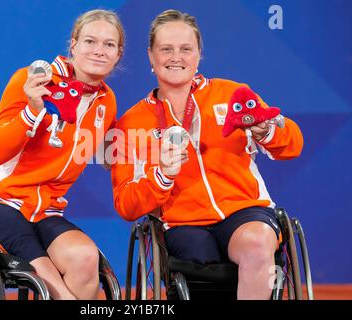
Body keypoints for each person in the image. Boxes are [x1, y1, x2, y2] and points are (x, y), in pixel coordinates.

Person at [111, 9, 303, 300]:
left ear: (199, 53)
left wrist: (266, 130)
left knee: (257, 243)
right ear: (151, 56)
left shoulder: (233, 95)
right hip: (183, 224)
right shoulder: (131, 123)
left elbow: (293, 144)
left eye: (186, 49)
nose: (176, 57)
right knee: (200, 262)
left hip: (244, 211)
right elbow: (126, 204)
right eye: (166, 49)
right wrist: (160, 177)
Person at [0, 9, 124, 300]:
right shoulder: (32, 81)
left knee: (86, 258)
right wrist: (32, 111)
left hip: (46, 212)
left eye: (109, 44)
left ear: (118, 54)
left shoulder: (106, 101)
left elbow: (109, 154)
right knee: (54, 288)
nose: (99, 51)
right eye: (90, 41)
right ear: (73, 44)